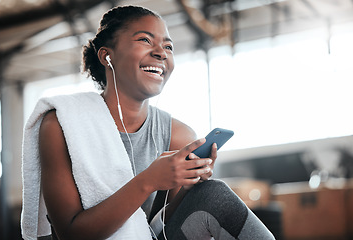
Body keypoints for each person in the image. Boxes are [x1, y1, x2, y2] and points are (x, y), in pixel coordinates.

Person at [21, 5, 275, 240]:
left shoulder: (178, 135)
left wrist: (187, 185)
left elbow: (162, 227)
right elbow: (72, 234)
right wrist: (149, 180)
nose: (160, 53)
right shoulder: (62, 124)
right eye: (144, 40)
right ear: (106, 56)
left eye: (168, 47)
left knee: (212, 193)